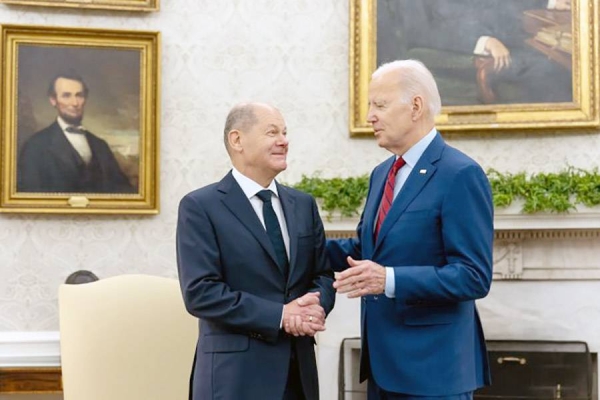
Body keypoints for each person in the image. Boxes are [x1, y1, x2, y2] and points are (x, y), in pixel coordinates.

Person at [326, 60, 494, 399]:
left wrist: (388, 279)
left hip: (434, 373)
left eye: (380, 105)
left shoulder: (460, 174)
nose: (370, 115)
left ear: (416, 106)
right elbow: (368, 250)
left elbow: (473, 275)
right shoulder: (382, 174)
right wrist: (294, 241)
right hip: (383, 370)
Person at [176, 102, 335, 400]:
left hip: (298, 375)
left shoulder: (302, 204)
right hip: (234, 378)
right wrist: (280, 315)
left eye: (285, 133)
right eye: (272, 132)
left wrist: (316, 306)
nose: (284, 140)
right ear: (237, 140)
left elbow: (322, 273)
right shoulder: (200, 207)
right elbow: (201, 292)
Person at [377, 0, 572, 104]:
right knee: (552, 71)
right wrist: (482, 42)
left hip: (513, 43)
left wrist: (548, 2)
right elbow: (418, 31)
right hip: (465, 57)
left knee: (561, 64)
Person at [17, 71, 134, 193]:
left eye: (79, 95)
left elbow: (123, 192)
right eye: (66, 96)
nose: (75, 103)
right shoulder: (35, 146)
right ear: (53, 100)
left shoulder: (100, 146)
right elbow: (29, 196)